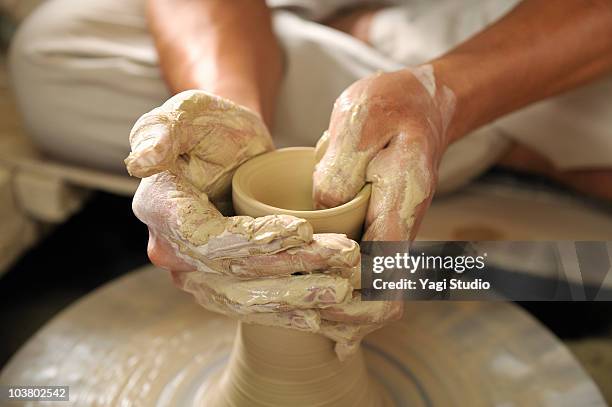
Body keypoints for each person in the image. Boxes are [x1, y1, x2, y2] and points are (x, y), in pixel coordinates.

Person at [9, 0, 612, 354]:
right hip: (290, 29)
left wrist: (445, 96)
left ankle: (449, 120)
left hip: (509, 28)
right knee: (53, 57)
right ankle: (476, 142)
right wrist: (226, 111)